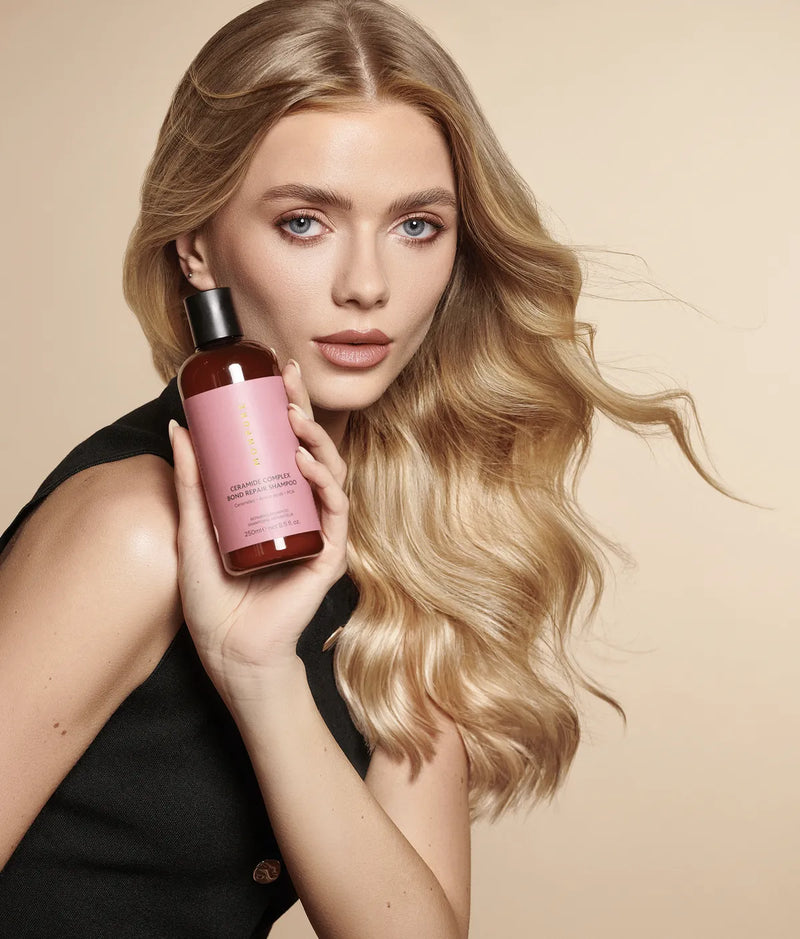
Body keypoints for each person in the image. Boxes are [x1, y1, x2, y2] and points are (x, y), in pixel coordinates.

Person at [0, 1, 739, 936]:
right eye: (305, 221)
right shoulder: (134, 527)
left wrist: (261, 676)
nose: (368, 284)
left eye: (417, 226)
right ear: (198, 248)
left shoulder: (414, 539)